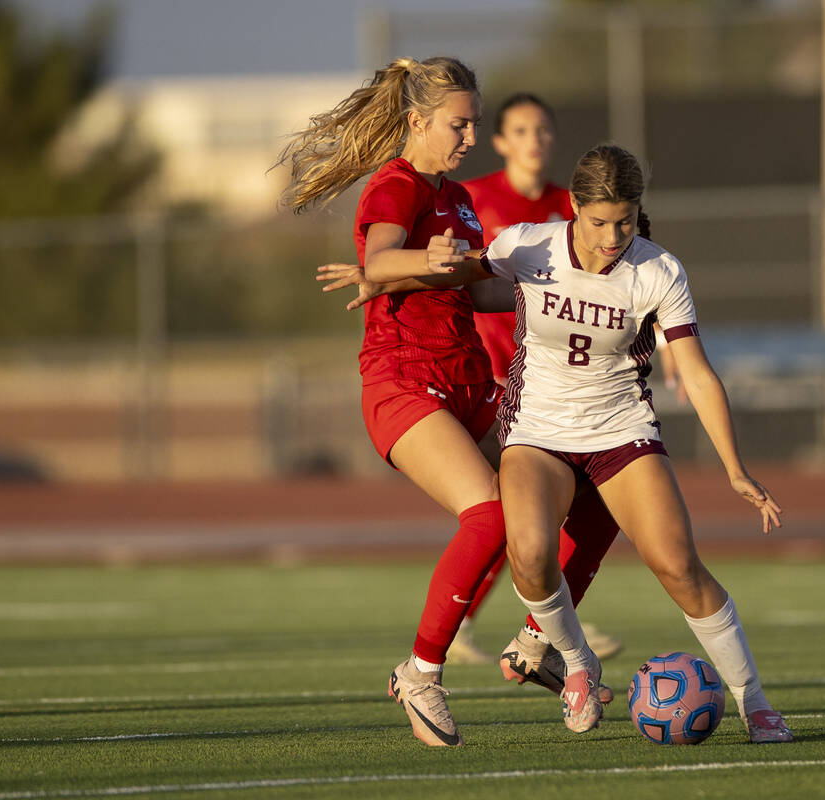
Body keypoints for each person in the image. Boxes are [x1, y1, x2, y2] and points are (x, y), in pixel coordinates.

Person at [358, 143, 796, 744]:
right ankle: (577, 664)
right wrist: (375, 274)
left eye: (624, 220)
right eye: (598, 222)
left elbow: (696, 372)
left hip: (621, 432)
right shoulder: (526, 244)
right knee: (530, 554)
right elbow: (456, 281)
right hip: (536, 431)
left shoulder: (659, 271)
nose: (612, 236)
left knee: (678, 566)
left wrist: (735, 469)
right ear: (573, 207)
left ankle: (756, 704)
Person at [280, 56, 617, 748]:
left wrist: (574, 288)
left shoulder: (458, 199)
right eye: (458, 126)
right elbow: (380, 258)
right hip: (404, 383)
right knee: (490, 512)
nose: (468, 136)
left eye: (473, 125)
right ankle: (421, 672)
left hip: (469, 381)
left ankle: (537, 641)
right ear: (417, 122)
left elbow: (482, 290)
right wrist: (412, 266)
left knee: (595, 493)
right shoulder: (396, 184)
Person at [445, 92, 621, 666]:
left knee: (563, 509)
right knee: (510, 511)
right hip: (494, 378)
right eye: (522, 130)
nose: (535, 140)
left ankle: (546, 624)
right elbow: (465, 279)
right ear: (500, 141)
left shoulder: (568, 208)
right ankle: (520, 626)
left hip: (554, 383)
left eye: (543, 129)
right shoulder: (475, 197)